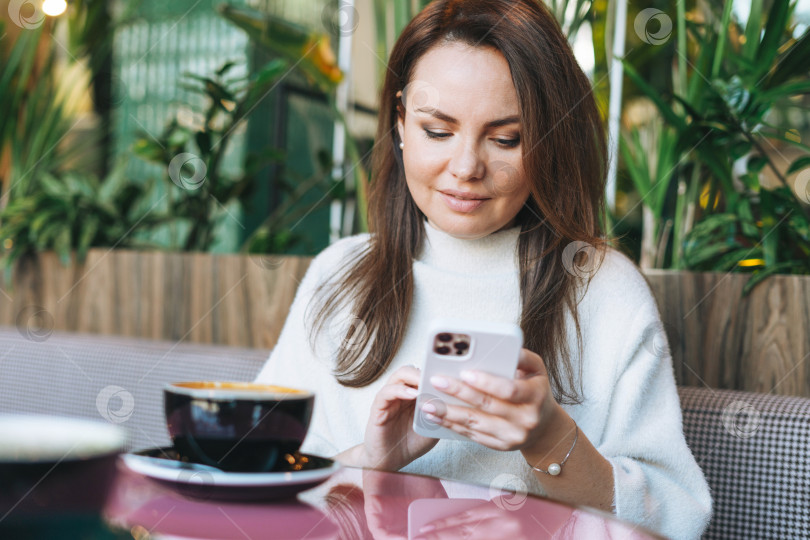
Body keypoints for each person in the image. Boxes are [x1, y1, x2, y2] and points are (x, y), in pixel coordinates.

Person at [256, 0, 712, 538]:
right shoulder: (340, 275)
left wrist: (550, 443)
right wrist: (371, 460)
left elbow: (681, 521)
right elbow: (252, 482)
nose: (466, 167)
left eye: (506, 139)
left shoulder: (602, 288)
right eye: (437, 130)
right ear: (401, 121)